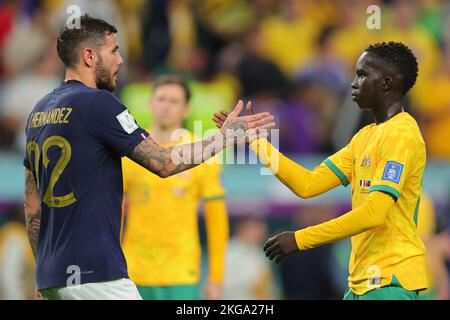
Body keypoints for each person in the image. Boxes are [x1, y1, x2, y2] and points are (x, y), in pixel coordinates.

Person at [23, 14, 274, 300]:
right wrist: (226, 136)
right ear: (89, 56)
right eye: (114, 51)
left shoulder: (39, 112)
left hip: (52, 276)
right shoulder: (99, 104)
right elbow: (164, 163)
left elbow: (32, 201)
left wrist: (42, 272)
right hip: (96, 273)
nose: (120, 60)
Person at [214, 42, 427, 300]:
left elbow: (374, 214)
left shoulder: (402, 134)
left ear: (386, 82)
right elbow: (309, 184)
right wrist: (256, 141)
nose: (353, 83)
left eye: (362, 75)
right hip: (363, 283)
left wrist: (301, 239)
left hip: (391, 281)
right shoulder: (365, 137)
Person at [121, 75, 228, 300]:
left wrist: (216, 278)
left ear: (186, 109)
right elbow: (113, 210)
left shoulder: (201, 153)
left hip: (181, 271)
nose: (166, 106)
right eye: (161, 99)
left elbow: (216, 219)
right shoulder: (131, 152)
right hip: (133, 269)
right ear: (151, 104)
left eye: (174, 101)